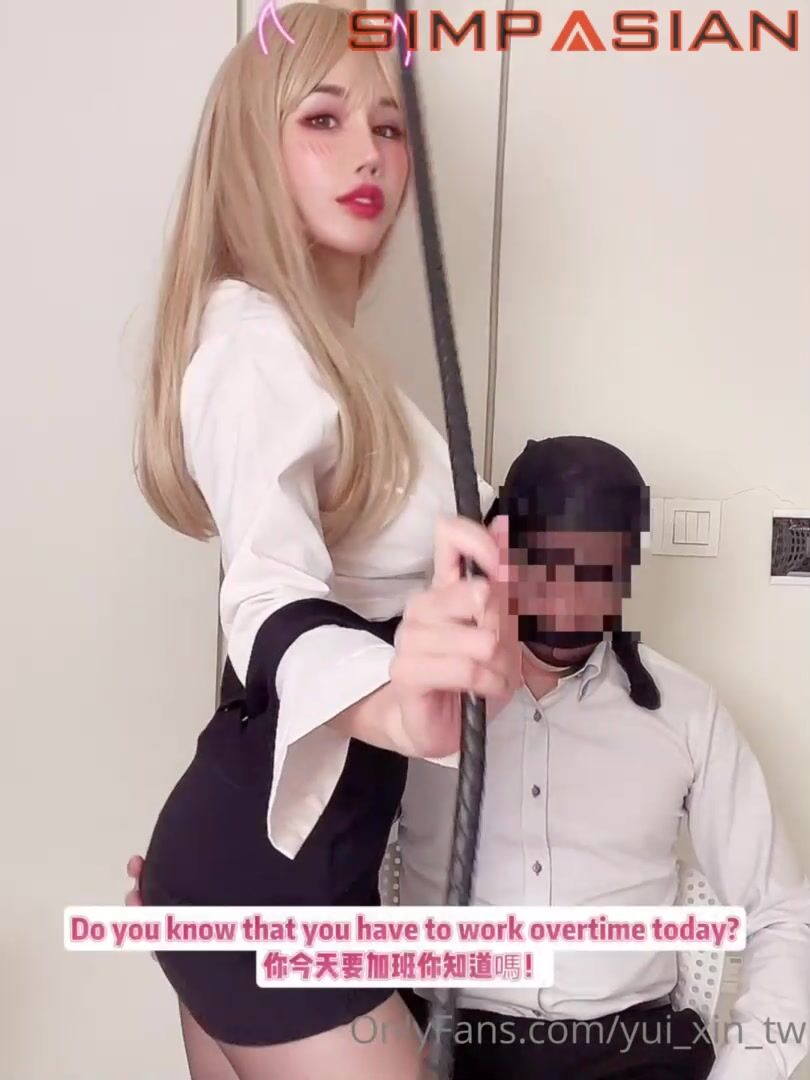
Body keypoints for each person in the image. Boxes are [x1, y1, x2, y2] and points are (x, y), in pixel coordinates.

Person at [127, 5, 517, 1079]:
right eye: (324, 118)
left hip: (262, 861)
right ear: (252, 151)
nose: (369, 153)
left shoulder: (317, 351)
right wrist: (392, 701)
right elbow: (265, 592)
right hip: (270, 882)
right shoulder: (255, 343)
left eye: (389, 127)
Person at [392, 435, 810, 1080]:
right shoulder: (413, 699)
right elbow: (325, 877)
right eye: (550, 564)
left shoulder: (686, 712)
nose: (571, 597)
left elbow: (779, 910)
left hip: (633, 1049)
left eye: (597, 570)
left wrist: (751, 1067)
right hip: (443, 1039)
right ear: (504, 554)